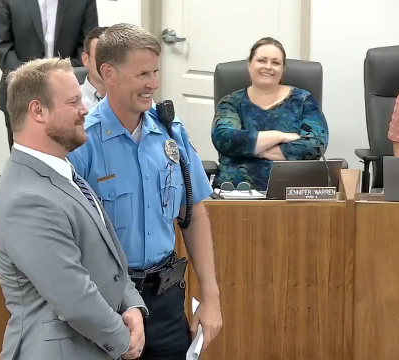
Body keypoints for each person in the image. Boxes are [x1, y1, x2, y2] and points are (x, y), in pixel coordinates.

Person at [68, 23, 222, 359]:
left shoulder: (171, 132)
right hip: (109, 304)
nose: (153, 83)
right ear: (108, 72)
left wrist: (210, 297)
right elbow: (68, 237)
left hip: (166, 299)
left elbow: (192, 215)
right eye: (142, 74)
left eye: (155, 72)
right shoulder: (82, 142)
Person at [0, 58, 147, 360]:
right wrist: (122, 339)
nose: (85, 109)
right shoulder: (27, 197)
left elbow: (109, 259)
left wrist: (132, 306)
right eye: (74, 101)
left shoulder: (62, 170)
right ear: (38, 111)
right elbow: (74, 297)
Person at [211, 37, 329, 190]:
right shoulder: (231, 102)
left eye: (275, 62)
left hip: (291, 192)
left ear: (283, 68)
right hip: (236, 192)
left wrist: (252, 149)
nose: (268, 67)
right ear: (249, 64)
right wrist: (281, 136)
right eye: (262, 60)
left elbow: (316, 144)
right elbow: (224, 138)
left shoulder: (302, 100)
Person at [0, 0, 98, 150]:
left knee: (70, 157)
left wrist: (61, 80)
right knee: (26, 160)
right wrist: (29, 84)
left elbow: (88, 44)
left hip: (69, 98)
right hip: (21, 95)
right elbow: (3, 46)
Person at [80, 26, 108, 109]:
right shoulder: (70, 101)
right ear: (85, 59)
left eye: (113, 57)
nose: (107, 64)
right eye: (100, 57)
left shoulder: (130, 98)